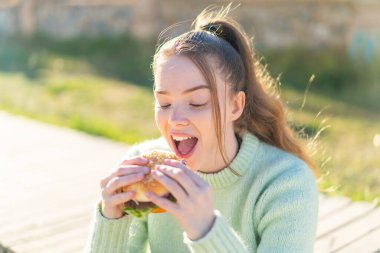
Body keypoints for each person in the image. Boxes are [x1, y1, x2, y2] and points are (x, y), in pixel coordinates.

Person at [86, 4, 319, 253]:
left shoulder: (286, 182)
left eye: (196, 102)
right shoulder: (140, 167)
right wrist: (111, 221)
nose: (175, 119)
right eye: (164, 103)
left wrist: (207, 231)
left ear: (235, 105)